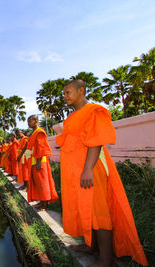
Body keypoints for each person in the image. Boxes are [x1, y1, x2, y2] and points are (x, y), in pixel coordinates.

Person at [56, 79, 148, 266]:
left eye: (68, 92)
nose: (64, 96)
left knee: (98, 210)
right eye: (64, 93)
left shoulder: (94, 111)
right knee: (86, 208)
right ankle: (92, 246)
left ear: (81, 90)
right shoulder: (73, 116)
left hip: (91, 168)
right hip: (76, 171)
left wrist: (88, 169)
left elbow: (96, 141)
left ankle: (106, 259)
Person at [26, 115, 58, 210]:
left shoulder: (40, 132)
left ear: (36, 121)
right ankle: (41, 202)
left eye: (30, 121)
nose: (28, 123)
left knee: (42, 183)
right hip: (33, 161)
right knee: (37, 183)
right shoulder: (33, 133)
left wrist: (39, 162)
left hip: (40, 161)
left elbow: (41, 147)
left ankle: (45, 204)